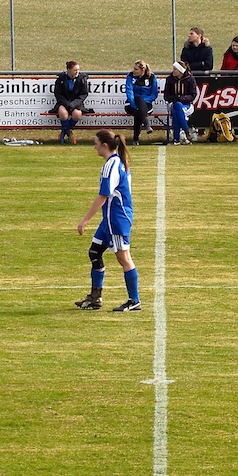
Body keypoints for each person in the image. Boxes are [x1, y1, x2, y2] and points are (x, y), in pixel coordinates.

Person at [74, 129, 141, 312]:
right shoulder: (118, 162)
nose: (94, 146)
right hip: (109, 219)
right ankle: (95, 298)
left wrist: (85, 220)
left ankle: (134, 300)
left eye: (95, 142)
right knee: (94, 252)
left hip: (117, 219)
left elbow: (103, 195)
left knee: (123, 258)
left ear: (104, 145)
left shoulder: (111, 166)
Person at [53, 60, 90, 144]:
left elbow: (84, 94)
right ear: (68, 70)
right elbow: (57, 93)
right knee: (63, 113)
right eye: (75, 70)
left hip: (76, 103)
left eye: (78, 70)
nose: (77, 72)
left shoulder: (82, 79)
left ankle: (64, 131)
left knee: (77, 114)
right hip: (63, 102)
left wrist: (73, 104)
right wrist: (66, 104)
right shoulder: (61, 79)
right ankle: (68, 133)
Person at [124, 60, 159, 145]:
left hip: (146, 105)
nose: (133, 71)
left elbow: (154, 94)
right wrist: (134, 104)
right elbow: (129, 91)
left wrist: (143, 102)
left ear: (142, 70)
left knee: (138, 112)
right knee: (138, 101)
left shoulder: (151, 77)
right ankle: (146, 125)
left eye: (136, 69)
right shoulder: (130, 75)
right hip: (130, 104)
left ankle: (135, 139)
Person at [163, 61, 196, 145]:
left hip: (187, 104)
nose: (173, 71)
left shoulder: (190, 79)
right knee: (176, 106)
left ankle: (176, 139)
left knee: (176, 111)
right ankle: (186, 131)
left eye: (175, 69)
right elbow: (166, 96)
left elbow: (192, 95)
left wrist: (182, 98)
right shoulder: (169, 79)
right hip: (172, 103)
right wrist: (175, 98)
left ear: (181, 71)